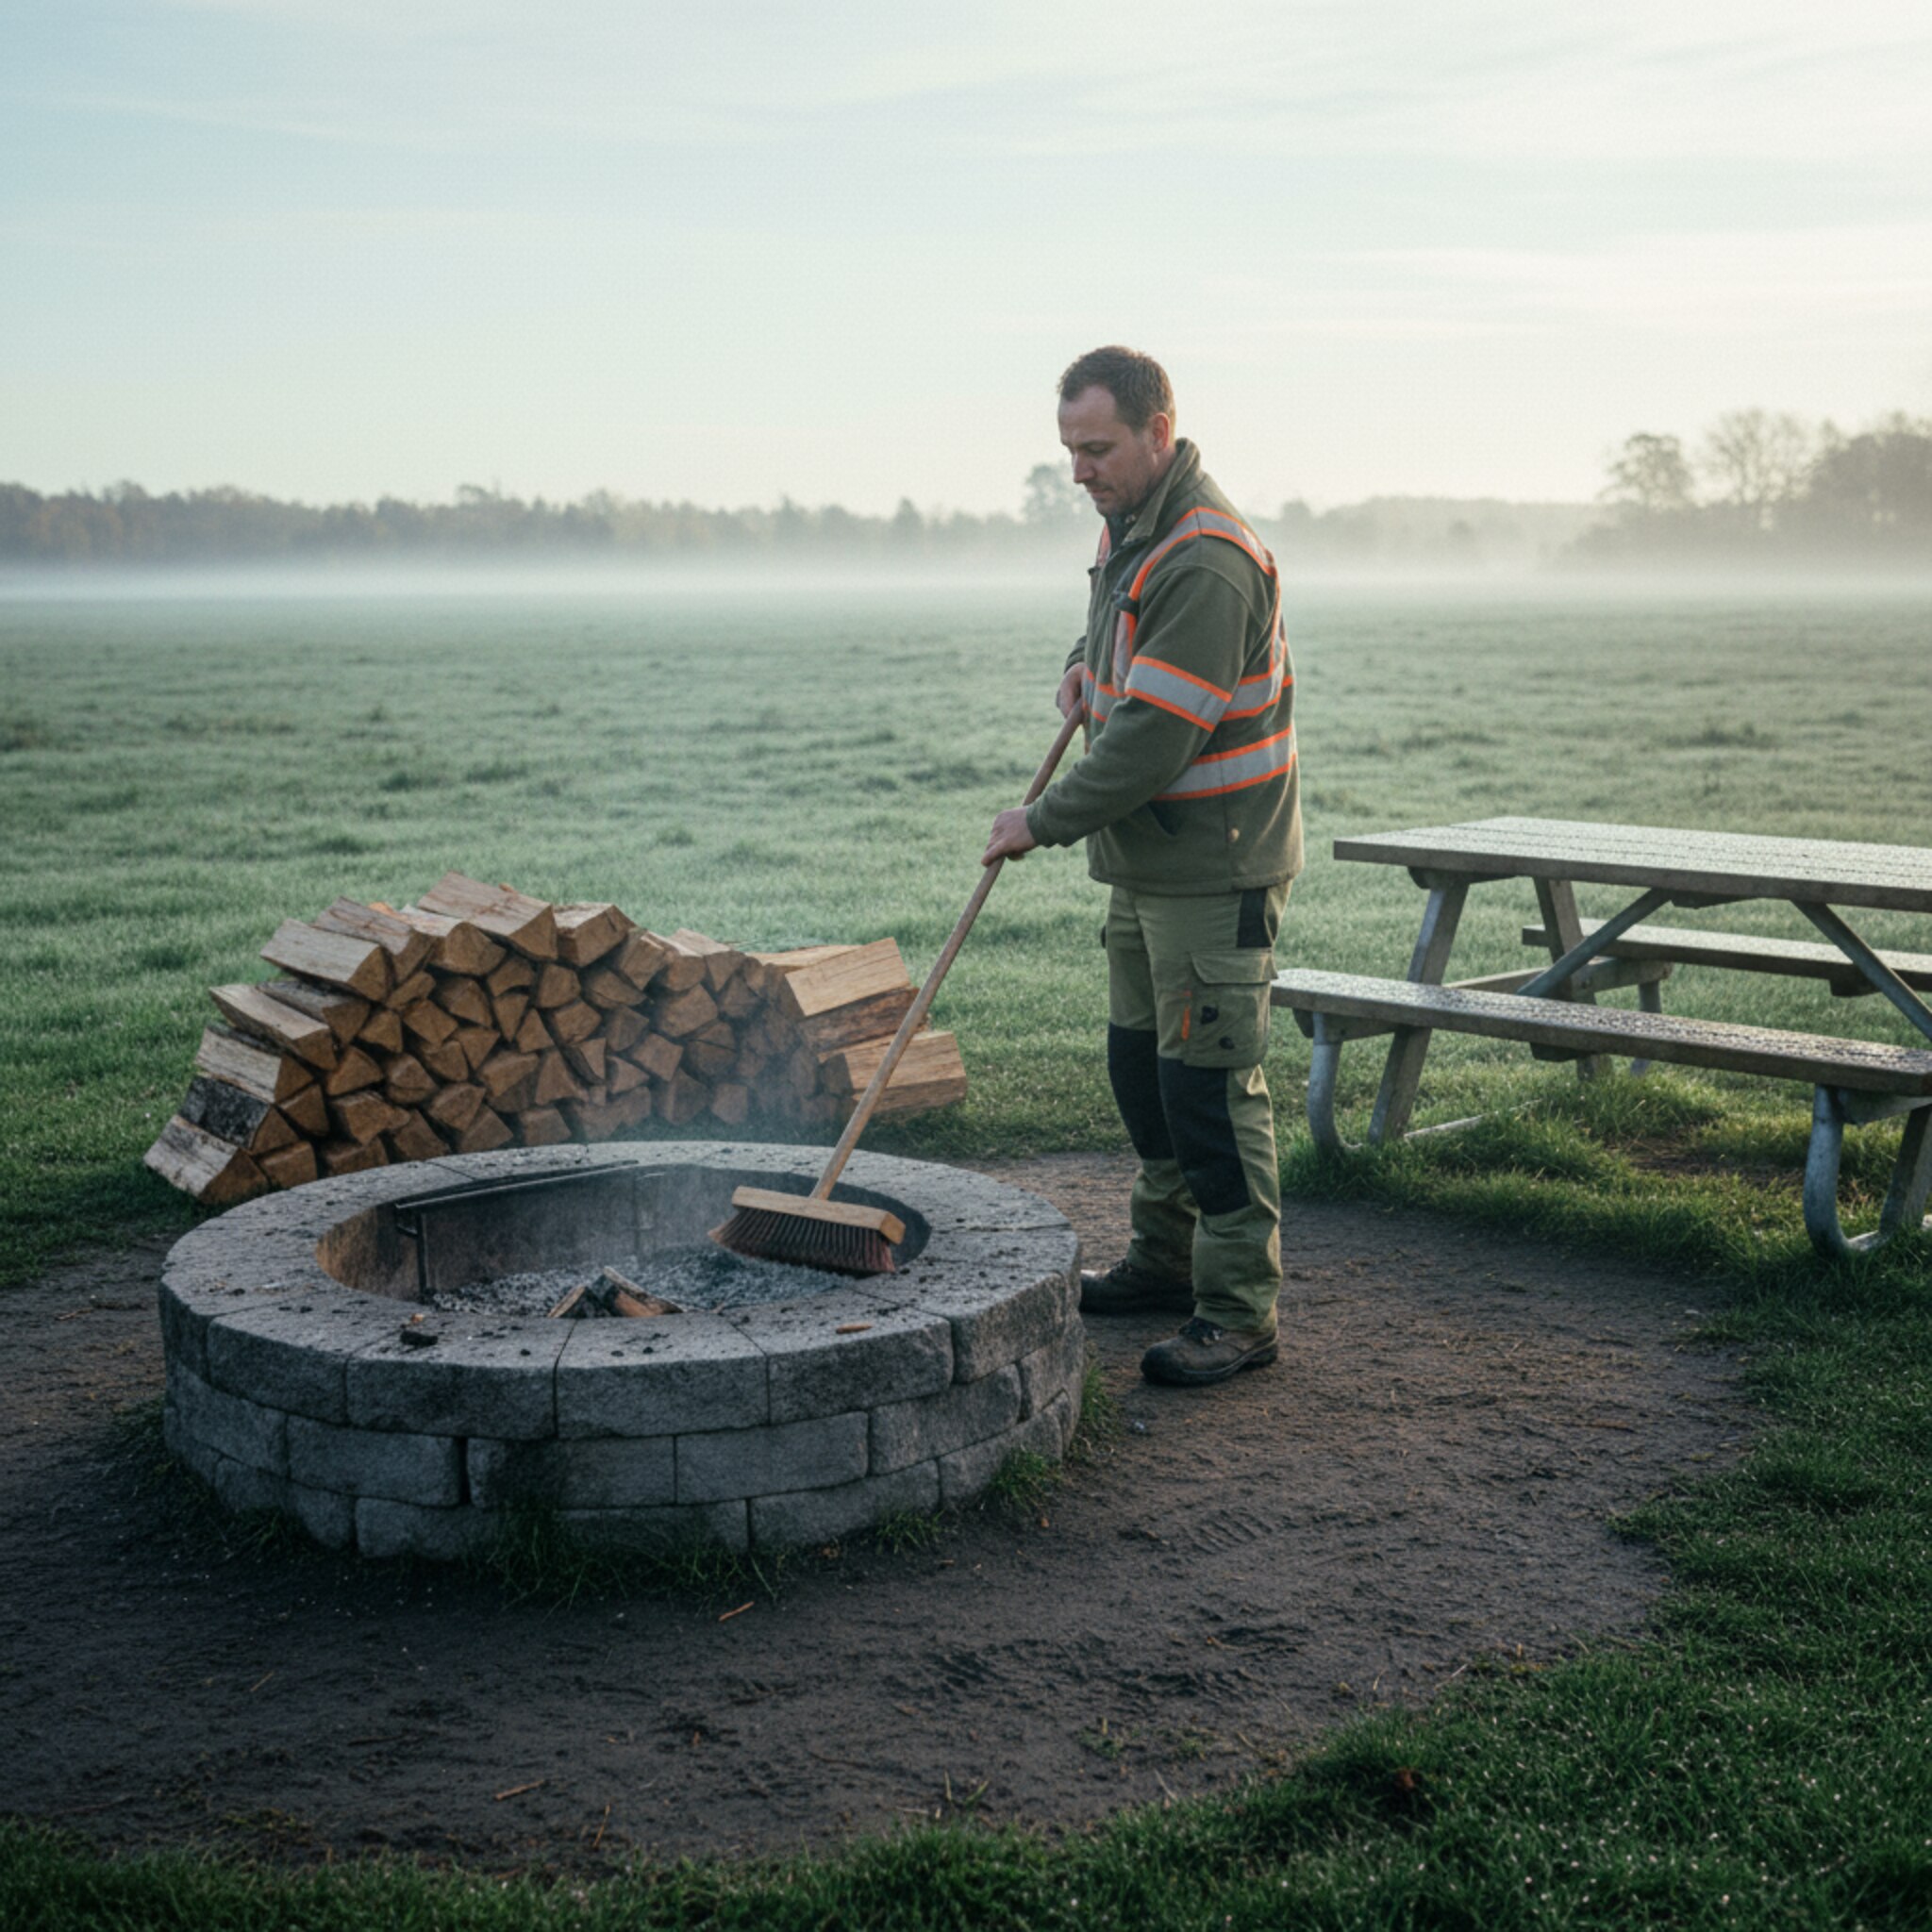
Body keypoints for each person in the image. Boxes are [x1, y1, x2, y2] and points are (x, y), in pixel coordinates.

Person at [983, 346, 1303, 1387]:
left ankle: (1237, 1312)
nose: (1078, 469)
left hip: (1215, 868)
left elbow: (1156, 738)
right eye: (1068, 450)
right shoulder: (1132, 529)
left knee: (1208, 1092)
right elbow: (1118, 656)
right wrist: (1079, 672)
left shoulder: (1205, 555)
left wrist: (1041, 818)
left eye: (1096, 448)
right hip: (1147, 866)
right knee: (1141, 1072)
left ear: (1156, 431)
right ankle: (1163, 1263)